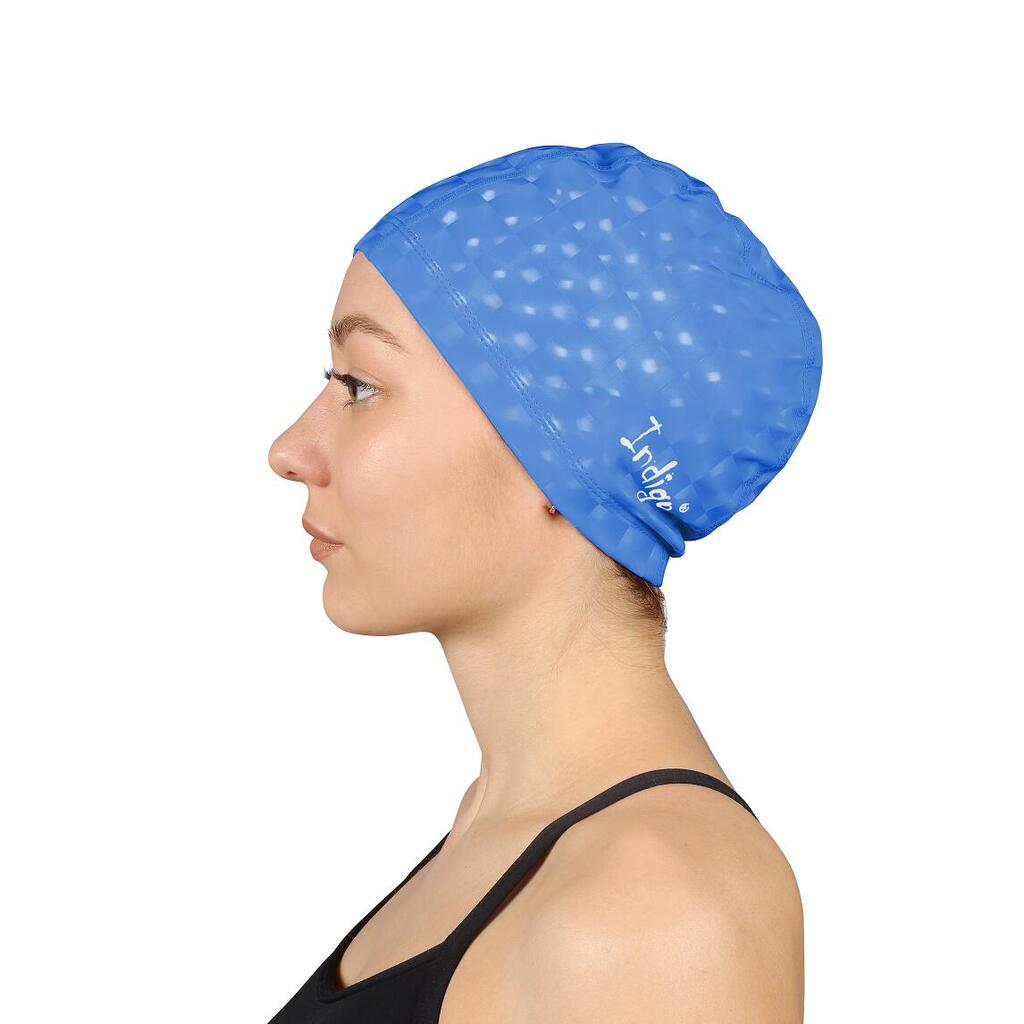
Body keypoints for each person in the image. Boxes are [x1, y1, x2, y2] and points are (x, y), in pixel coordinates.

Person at [265, 142, 820, 1022]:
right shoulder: (499, 830)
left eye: (360, 386)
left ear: (563, 462)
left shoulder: (659, 911)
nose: (290, 450)